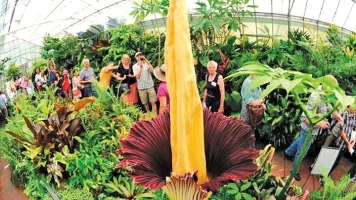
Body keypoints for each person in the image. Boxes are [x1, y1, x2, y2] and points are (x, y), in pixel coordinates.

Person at [285, 79, 343, 181]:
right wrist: (320, 123)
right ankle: (294, 170)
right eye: (333, 89)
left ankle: (288, 152)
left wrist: (338, 116)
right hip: (308, 129)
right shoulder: (315, 97)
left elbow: (328, 107)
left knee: (300, 141)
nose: (334, 92)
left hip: (312, 130)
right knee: (302, 151)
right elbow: (305, 118)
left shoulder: (324, 94)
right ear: (327, 85)